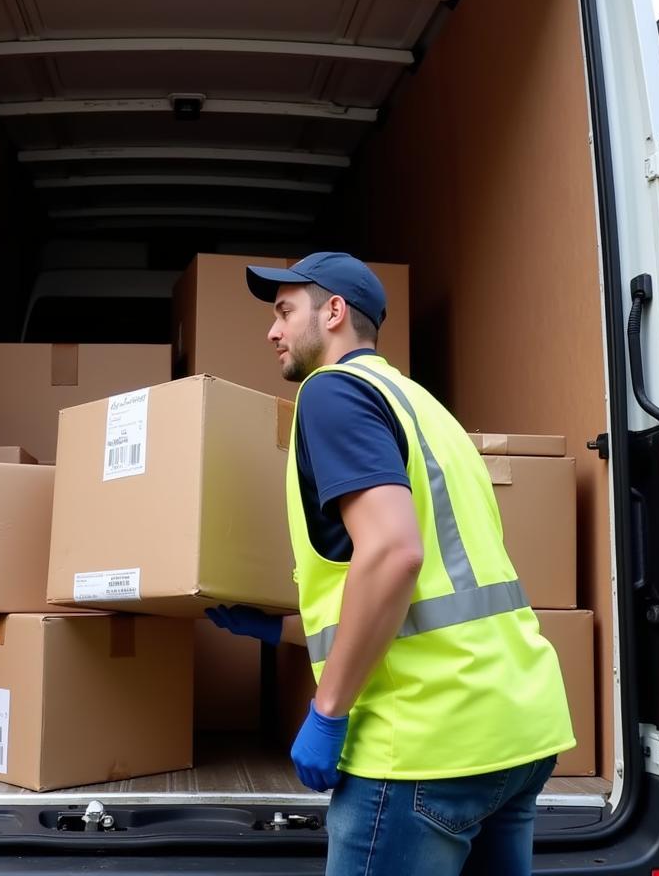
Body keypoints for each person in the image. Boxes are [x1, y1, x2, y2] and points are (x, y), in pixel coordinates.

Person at [206, 251, 574, 876]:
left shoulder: (331, 393)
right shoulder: (425, 407)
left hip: (425, 746)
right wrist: (276, 629)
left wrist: (328, 711)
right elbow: (428, 594)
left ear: (334, 312)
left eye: (284, 312)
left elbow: (396, 554)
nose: (272, 331)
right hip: (517, 727)